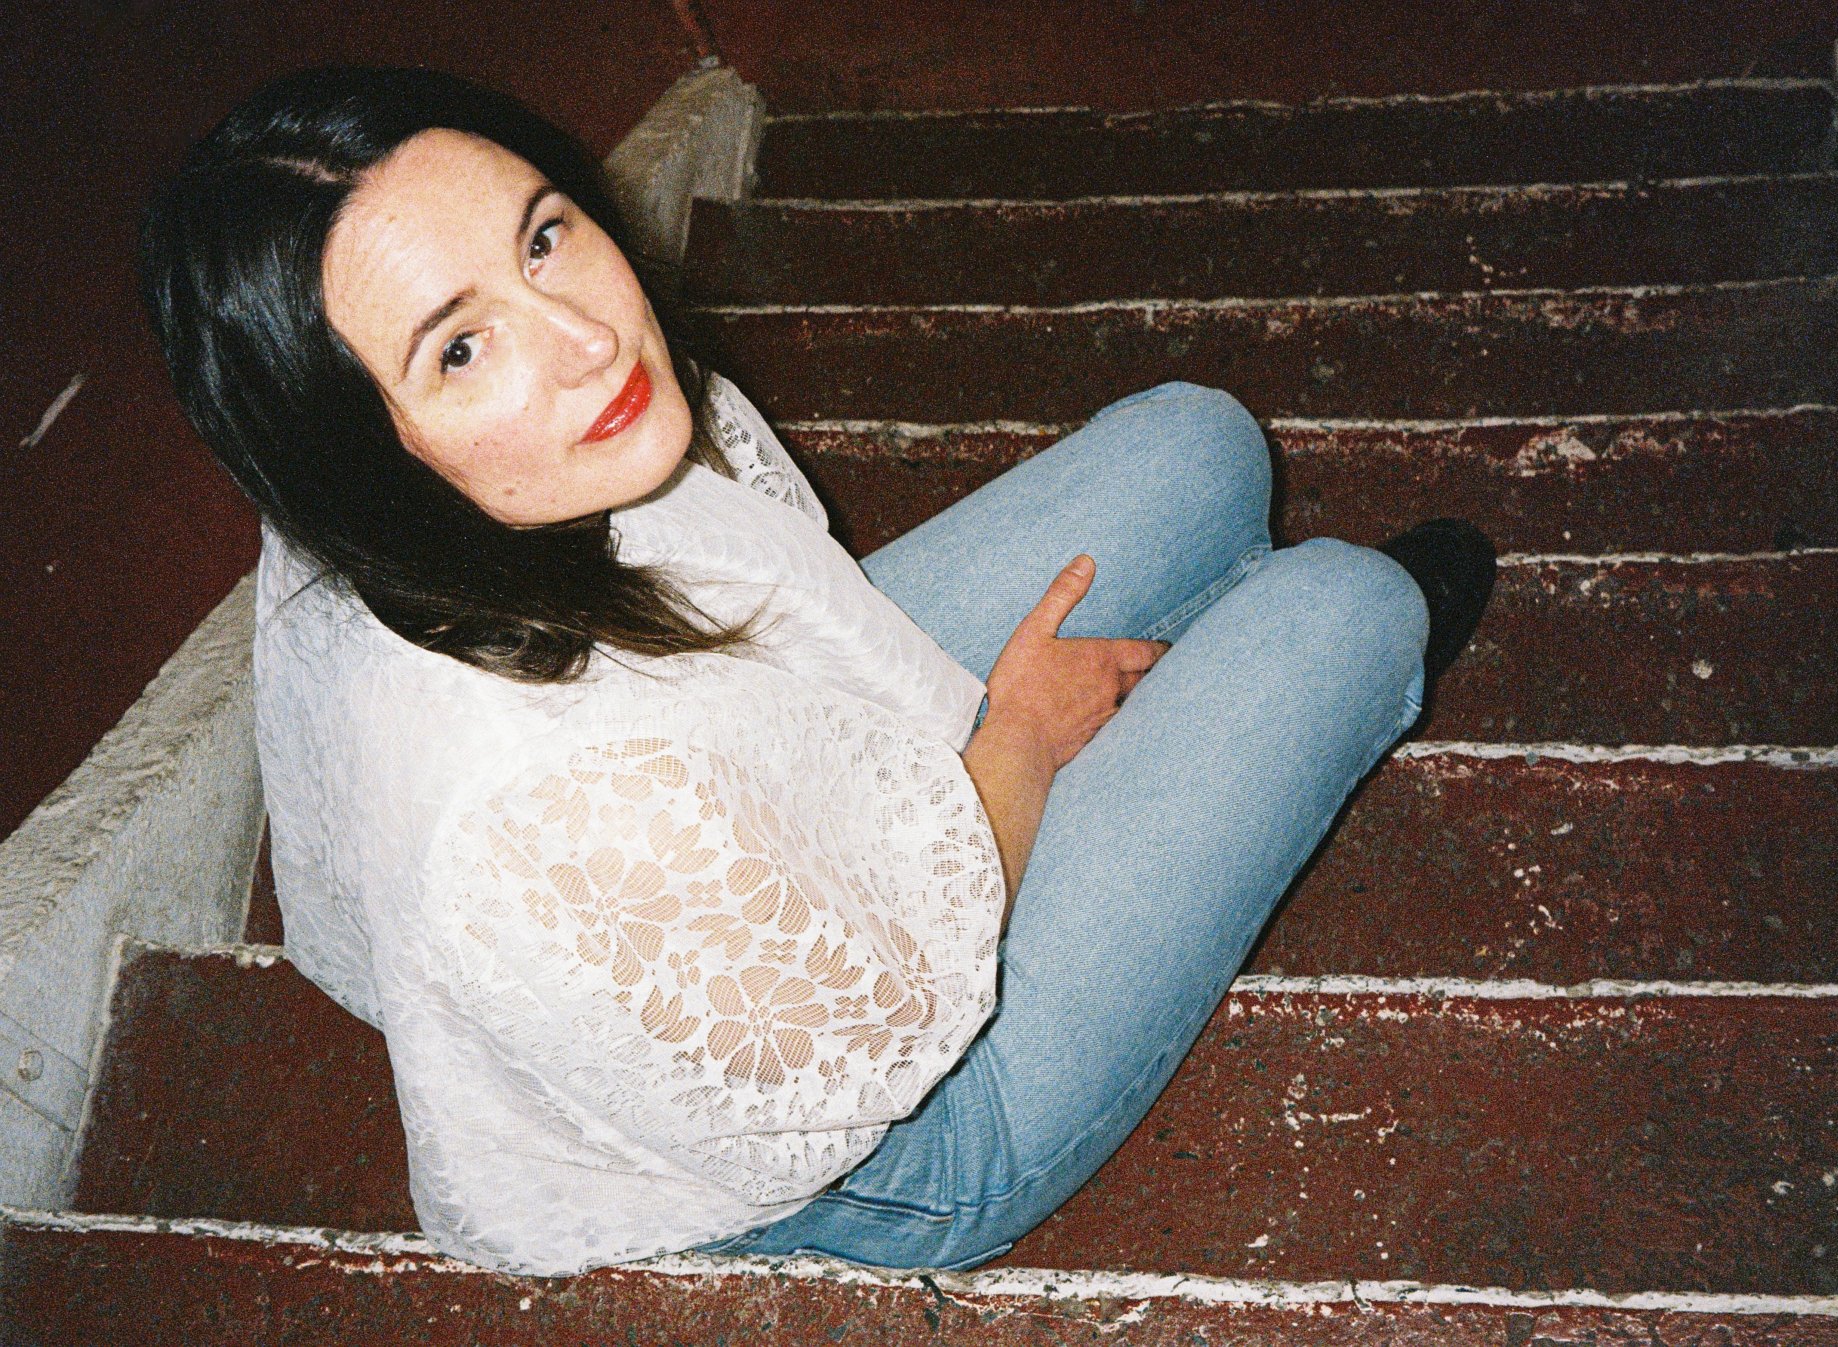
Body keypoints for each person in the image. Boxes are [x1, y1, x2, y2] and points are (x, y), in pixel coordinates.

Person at [137, 65, 1496, 1278]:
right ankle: (1298, 668)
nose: (586, 338)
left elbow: (779, 607)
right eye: (461, 346)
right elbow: (882, 1026)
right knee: (1343, 610)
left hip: (763, 746)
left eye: (543, 236)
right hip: (911, 1124)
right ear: (357, 455)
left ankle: (1236, 703)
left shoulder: (475, 477)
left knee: (1201, 447)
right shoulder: (542, 808)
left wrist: (984, 745)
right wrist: (1017, 743)